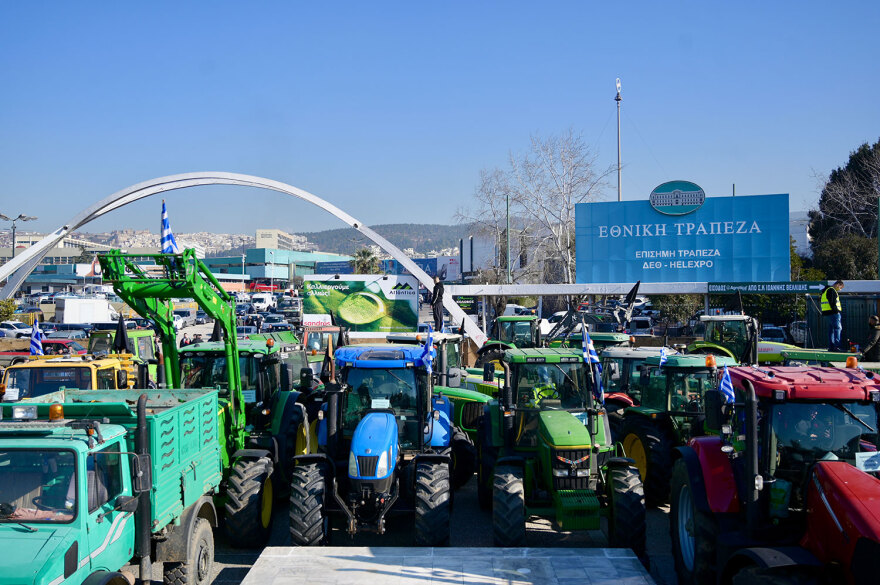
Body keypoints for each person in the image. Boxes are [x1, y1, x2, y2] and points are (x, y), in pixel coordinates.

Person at [820, 280, 844, 351]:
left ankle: (831, 347)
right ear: (838, 284)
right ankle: (837, 346)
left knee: (832, 330)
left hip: (828, 313)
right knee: (837, 329)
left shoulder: (826, 290)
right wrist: (836, 311)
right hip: (833, 313)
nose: (840, 290)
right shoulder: (832, 290)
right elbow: (832, 302)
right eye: (840, 288)